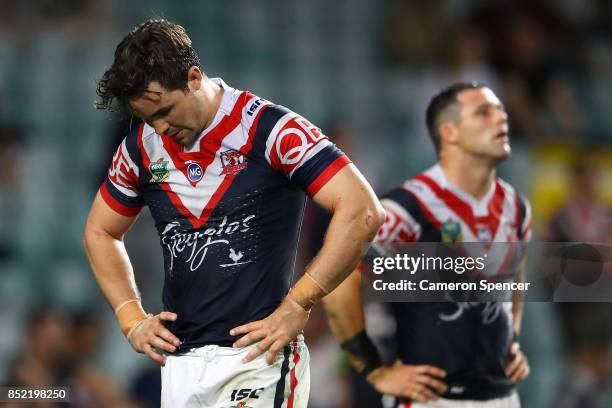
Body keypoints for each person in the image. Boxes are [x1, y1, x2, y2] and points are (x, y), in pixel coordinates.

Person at [83, 19, 385, 408]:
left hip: (258, 357)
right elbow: (100, 232)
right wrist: (131, 319)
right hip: (179, 365)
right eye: (147, 118)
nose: (160, 127)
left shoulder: (271, 130)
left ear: (193, 77)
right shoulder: (140, 148)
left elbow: (363, 211)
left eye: (165, 111)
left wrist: (299, 303)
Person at [323, 83, 532, 407]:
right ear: (449, 132)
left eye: (501, 110)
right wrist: (375, 370)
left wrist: (513, 339)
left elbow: (515, 276)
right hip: (432, 399)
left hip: (503, 396)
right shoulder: (408, 206)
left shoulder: (516, 206)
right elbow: (338, 285)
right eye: (483, 112)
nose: (501, 118)